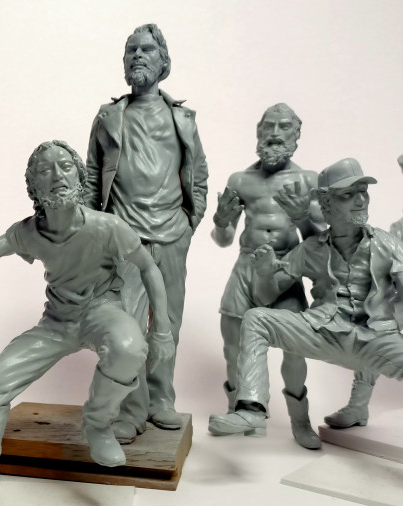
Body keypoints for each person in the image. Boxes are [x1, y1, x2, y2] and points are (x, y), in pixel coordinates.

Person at [0, 141, 173, 502]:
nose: (57, 175)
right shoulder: (30, 232)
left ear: (80, 177)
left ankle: (98, 423)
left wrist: (162, 330)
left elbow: (148, 268)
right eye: (45, 170)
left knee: (129, 347)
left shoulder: (107, 226)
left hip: (103, 311)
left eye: (65, 166)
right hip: (57, 322)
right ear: (33, 187)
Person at [208, 158, 403, 440]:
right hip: (323, 333)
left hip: (374, 341)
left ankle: (354, 407)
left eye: (363, 192)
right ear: (326, 204)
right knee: (256, 319)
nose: (360, 200)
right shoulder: (311, 249)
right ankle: (252, 409)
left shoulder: (388, 245)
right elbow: (266, 296)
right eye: (348, 194)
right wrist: (265, 272)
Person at [85, 23, 208, 439]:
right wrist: (96, 231)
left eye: (147, 49)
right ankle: (130, 410)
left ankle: (161, 401)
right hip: (123, 238)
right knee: (129, 327)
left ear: (163, 61)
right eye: (131, 50)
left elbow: (198, 176)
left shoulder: (182, 118)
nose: (138, 55)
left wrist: (190, 224)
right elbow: (91, 177)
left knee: (167, 323)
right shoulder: (108, 117)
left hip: (172, 235)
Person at [212, 103, 328, 448]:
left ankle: (300, 420)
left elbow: (318, 242)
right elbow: (223, 240)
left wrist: (302, 216)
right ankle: (239, 410)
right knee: (232, 342)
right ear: (258, 131)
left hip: (285, 268)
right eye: (269, 126)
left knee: (294, 348)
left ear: (297, 134)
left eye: (284, 127)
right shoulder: (240, 180)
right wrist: (220, 222)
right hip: (246, 266)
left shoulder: (308, 181)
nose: (275, 134)